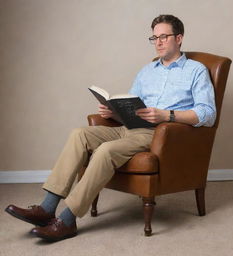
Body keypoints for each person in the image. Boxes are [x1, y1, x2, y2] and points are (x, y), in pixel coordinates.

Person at [5, 14, 216, 242]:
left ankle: (67, 220)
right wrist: (114, 111)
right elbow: (133, 103)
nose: (158, 42)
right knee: (79, 134)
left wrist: (167, 114)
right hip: (129, 127)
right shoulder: (147, 71)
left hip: (160, 134)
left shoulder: (196, 70)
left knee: (105, 150)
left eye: (163, 36)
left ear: (179, 38)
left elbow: (208, 114)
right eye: (154, 38)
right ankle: (47, 208)